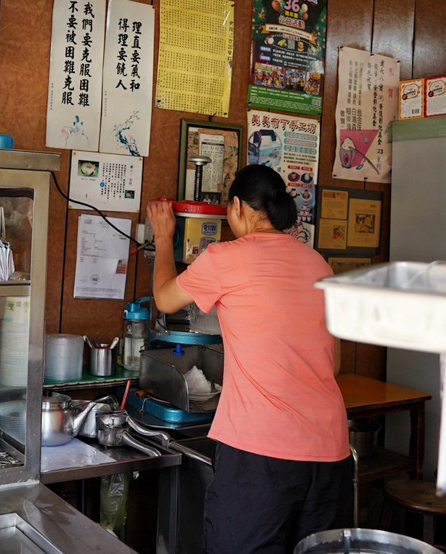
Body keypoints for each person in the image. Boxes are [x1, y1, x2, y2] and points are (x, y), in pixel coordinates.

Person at [146, 164, 352, 554]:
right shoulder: (319, 264)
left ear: (238, 207)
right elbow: (333, 364)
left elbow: (164, 299)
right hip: (330, 453)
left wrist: (163, 237)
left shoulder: (226, 257)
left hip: (261, 456)